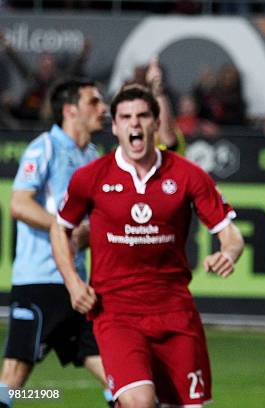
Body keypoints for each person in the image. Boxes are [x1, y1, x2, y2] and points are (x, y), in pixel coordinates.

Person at [50, 85, 244, 407]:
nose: (134, 124)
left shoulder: (188, 174)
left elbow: (230, 234)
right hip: (116, 312)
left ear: (156, 123)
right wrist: (72, 282)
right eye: (125, 117)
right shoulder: (91, 177)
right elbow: (60, 227)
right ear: (114, 126)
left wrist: (228, 253)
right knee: (140, 400)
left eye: (142, 116)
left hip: (176, 312)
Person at [0, 78, 111, 407]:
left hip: (77, 284)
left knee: (119, 373)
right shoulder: (44, 147)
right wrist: (64, 227)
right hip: (40, 282)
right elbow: (19, 204)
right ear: (70, 110)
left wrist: (89, 233)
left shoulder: (93, 156)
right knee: (14, 376)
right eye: (94, 102)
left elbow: (92, 226)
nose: (102, 109)